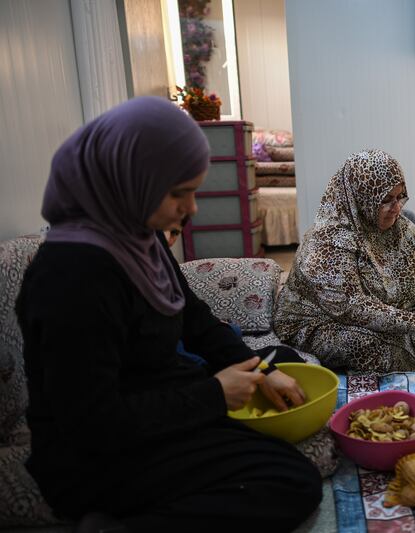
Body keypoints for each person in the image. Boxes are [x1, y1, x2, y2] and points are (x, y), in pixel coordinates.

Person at [16, 97, 321, 532]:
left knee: (283, 377)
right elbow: (92, 424)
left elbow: (194, 319)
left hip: (159, 412)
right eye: (179, 193)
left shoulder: (137, 238)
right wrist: (214, 395)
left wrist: (262, 368)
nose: (192, 208)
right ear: (128, 179)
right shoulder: (73, 275)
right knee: (291, 483)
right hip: (96, 458)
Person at [273, 149, 415, 372]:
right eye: (386, 200)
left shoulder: (399, 225)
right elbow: (352, 308)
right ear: (362, 198)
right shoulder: (327, 241)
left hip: (379, 305)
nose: (396, 208)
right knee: (365, 345)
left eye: (400, 197)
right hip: (320, 320)